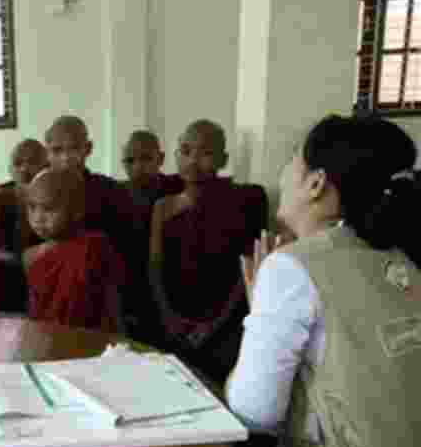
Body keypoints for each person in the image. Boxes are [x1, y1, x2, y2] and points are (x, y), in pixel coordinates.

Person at [187, 115, 421, 447]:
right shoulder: (402, 258)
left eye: (292, 160)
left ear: (316, 183)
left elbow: (255, 413)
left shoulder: (292, 266)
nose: (284, 171)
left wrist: (257, 316)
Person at [148, 120, 266, 381]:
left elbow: (245, 271)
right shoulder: (163, 207)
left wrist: (214, 325)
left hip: (224, 321)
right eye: (186, 151)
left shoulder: (242, 203)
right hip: (174, 318)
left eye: (205, 153)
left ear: (223, 159)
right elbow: (154, 269)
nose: (193, 161)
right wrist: (169, 319)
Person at [23, 169, 125, 332]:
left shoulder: (95, 246)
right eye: (32, 207)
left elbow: (112, 303)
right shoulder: (30, 256)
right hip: (47, 339)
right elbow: (34, 310)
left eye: (48, 209)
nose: (38, 218)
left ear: (77, 211)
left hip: (91, 339)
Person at [44, 115, 140, 264]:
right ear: (47, 153)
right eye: (57, 150)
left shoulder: (111, 191)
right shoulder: (40, 190)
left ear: (88, 148)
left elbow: (128, 248)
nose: (66, 157)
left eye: (74, 148)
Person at [119, 131, 183, 341]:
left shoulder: (177, 187)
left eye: (146, 159)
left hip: (170, 282)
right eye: (130, 160)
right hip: (130, 288)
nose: (138, 166)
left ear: (161, 159)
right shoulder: (116, 193)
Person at [0, 139, 49, 313]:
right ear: (10, 168)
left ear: (46, 165)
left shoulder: (57, 196)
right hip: (7, 274)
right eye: (18, 163)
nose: (24, 168)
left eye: (32, 162)